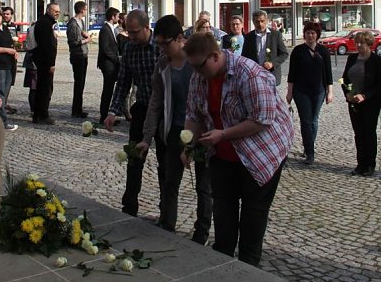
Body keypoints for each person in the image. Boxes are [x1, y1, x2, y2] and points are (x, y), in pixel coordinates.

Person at [183, 32, 293, 267]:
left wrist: (223, 134)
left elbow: (262, 119)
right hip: (223, 153)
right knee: (223, 210)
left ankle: (248, 267)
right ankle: (223, 264)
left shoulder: (249, 74)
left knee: (253, 214)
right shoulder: (199, 76)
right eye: (192, 67)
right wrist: (188, 145)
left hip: (262, 152)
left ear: (215, 56)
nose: (196, 73)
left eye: (199, 66)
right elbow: (194, 114)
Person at [137, 15, 212, 243]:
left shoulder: (196, 61)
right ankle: (167, 224)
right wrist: (146, 138)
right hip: (174, 130)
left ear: (180, 38)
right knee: (170, 181)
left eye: (164, 43)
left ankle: (201, 232)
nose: (160, 48)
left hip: (202, 132)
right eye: (158, 43)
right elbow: (156, 101)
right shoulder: (162, 64)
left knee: (203, 185)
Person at [104, 10, 161, 217]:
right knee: (134, 158)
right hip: (142, 108)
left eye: (135, 32)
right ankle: (129, 206)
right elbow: (123, 82)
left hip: (164, 110)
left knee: (164, 162)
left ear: (147, 28)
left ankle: (166, 213)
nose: (132, 36)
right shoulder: (129, 49)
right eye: (129, 32)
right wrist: (113, 111)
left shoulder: (160, 48)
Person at [286, 22, 333, 165]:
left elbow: (329, 73)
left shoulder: (323, 51)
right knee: (306, 121)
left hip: (319, 90)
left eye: (313, 33)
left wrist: (330, 91)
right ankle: (310, 153)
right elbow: (292, 73)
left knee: (314, 120)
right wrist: (289, 92)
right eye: (308, 33)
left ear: (317, 35)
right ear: (304, 34)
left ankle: (309, 145)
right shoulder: (298, 51)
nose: (310, 35)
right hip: (301, 91)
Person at [340, 30, 381, 177]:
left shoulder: (376, 61)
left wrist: (365, 95)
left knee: (368, 132)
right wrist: (348, 94)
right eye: (356, 43)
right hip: (353, 102)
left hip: (371, 103)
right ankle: (360, 164)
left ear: (369, 44)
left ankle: (370, 164)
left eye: (361, 43)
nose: (358, 45)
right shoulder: (352, 59)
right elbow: (344, 79)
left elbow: (379, 85)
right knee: (358, 133)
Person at [241, 10, 288, 85]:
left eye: (262, 21)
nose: (260, 24)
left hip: (271, 74)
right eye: (257, 22)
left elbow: (284, 54)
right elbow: (244, 56)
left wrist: (272, 64)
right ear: (253, 22)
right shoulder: (249, 37)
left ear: (267, 21)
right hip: (254, 75)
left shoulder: (276, 35)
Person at [32, 2, 60, 125]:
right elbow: (48, 46)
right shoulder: (45, 23)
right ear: (49, 10)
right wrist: (51, 63)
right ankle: (42, 115)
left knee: (44, 88)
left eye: (58, 12)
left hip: (43, 60)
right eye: (55, 11)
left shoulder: (46, 23)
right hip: (44, 62)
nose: (57, 14)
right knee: (44, 89)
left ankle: (40, 114)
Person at [0, 11, 18, 132]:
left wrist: (14, 51)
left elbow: (11, 44)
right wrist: (6, 50)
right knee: (0, 93)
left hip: (9, 65)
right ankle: (2, 122)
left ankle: (0, 119)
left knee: (5, 94)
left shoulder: (6, 29)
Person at [66, 1, 90, 118]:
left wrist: (83, 34)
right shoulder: (73, 23)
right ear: (81, 10)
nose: (86, 11)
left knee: (81, 83)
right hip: (77, 56)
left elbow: (79, 34)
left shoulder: (81, 22)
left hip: (83, 55)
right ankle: (76, 110)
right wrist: (85, 41)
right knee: (79, 83)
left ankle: (78, 108)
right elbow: (72, 42)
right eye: (85, 9)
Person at [97, 6, 120, 124]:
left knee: (110, 91)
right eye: (117, 16)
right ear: (112, 17)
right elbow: (105, 49)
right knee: (107, 91)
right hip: (108, 65)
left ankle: (107, 115)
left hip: (111, 64)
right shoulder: (105, 29)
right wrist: (117, 59)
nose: (118, 18)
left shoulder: (111, 28)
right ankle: (104, 116)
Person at [0, 6, 19, 114]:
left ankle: (5, 102)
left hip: (12, 58)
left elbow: (16, 39)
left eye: (8, 14)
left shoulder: (13, 26)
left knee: (10, 81)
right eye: (4, 14)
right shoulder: (0, 26)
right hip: (3, 59)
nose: (6, 16)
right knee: (2, 85)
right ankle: (2, 105)